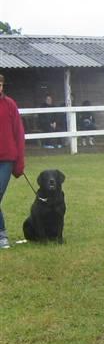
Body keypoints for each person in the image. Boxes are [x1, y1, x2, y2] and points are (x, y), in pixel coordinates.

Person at [0, 74, 26, 249]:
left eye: (0, 83)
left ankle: (2, 235)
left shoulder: (10, 105)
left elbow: (19, 134)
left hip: (6, 158)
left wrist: (20, 162)